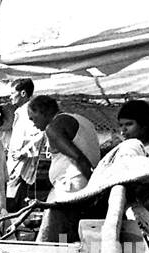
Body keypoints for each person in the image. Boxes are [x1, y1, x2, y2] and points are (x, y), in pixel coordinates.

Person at [27, 95, 101, 242]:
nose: (33, 124)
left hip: (71, 188)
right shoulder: (82, 120)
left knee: (57, 237)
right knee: (73, 233)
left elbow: (78, 158)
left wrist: (94, 189)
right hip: (81, 185)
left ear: (43, 112)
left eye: (33, 118)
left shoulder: (53, 127)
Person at [5, 79, 45, 212]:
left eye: (12, 93)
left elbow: (40, 134)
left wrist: (23, 152)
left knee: (12, 203)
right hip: (15, 164)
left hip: (20, 167)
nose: (10, 97)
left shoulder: (30, 111)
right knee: (13, 201)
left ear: (22, 93)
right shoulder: (21, 112)